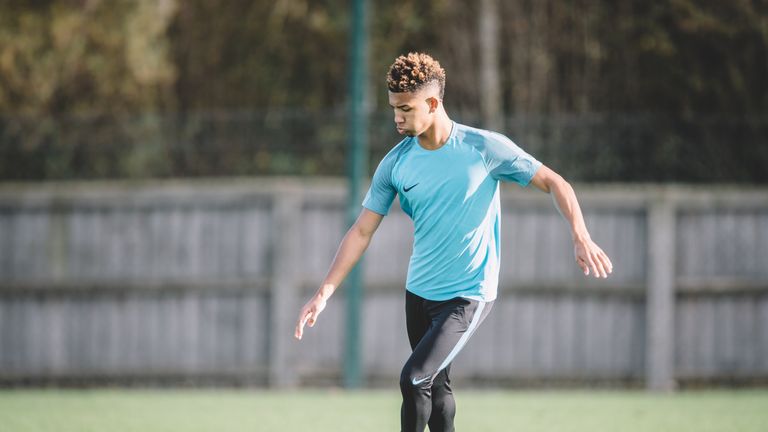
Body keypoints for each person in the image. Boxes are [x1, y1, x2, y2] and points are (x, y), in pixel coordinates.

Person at [294, 52, 613, 432]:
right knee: (437, 387)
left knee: (413, 378)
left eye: (405, 108)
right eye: (393, 108)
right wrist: (325, 291)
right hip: (419, 293)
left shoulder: (484, 148)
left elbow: (555, 182)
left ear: (432, 103)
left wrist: (580, 234)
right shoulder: (395, 164)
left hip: (468, 294)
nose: (397, 117)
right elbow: (361, 230)